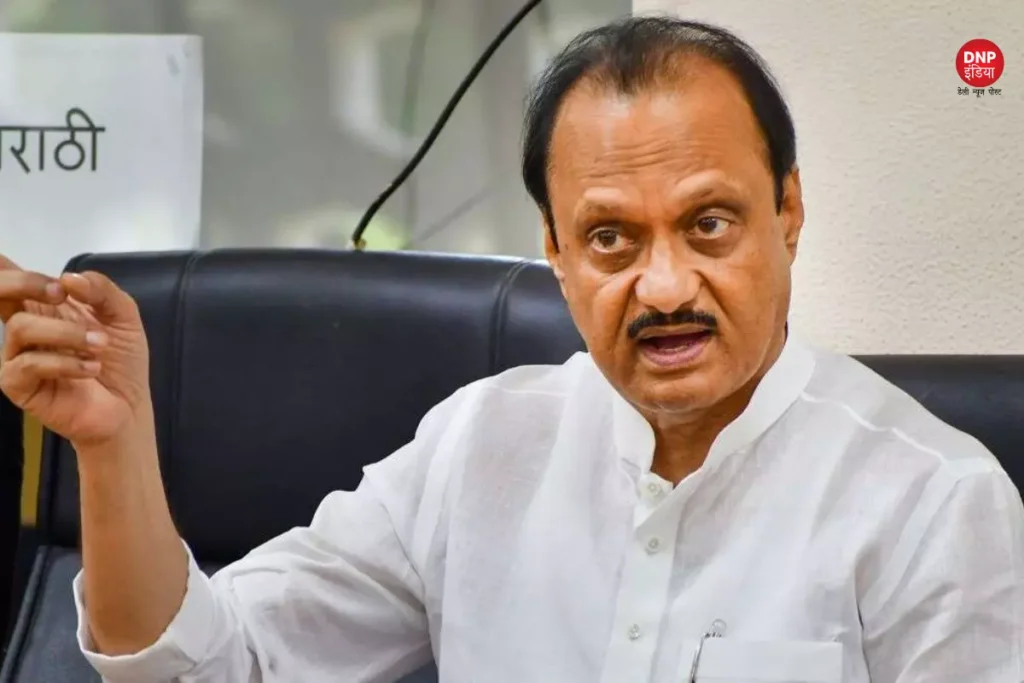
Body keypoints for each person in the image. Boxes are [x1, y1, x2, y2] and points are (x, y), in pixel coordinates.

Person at [0, 16, 1021, 683]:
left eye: (709, 224)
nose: (665, 287)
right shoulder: (478, 446)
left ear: (787, 213)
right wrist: (112, 443)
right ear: (556, 252)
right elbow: (212, 666)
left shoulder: (932, 501)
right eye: (611, 238)